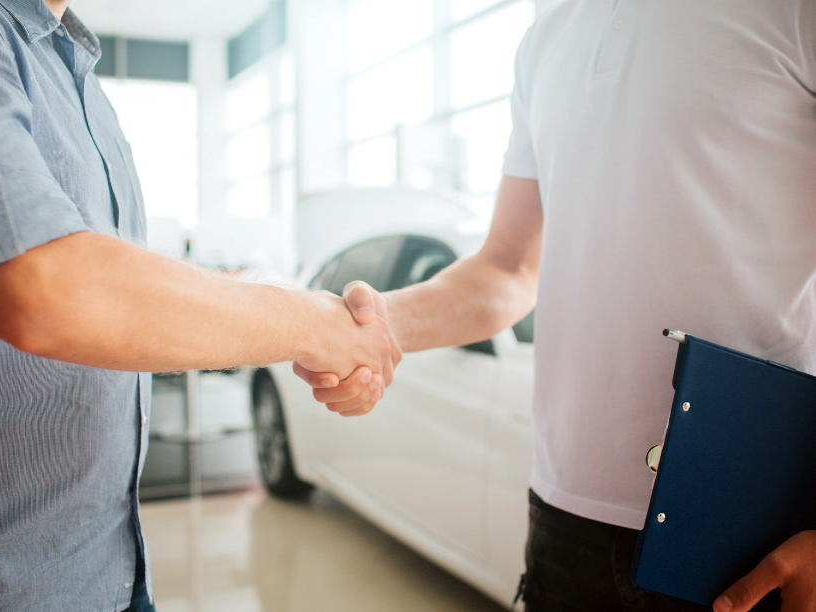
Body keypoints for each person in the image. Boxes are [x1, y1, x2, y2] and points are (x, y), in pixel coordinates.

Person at [297, 1, 816, 611]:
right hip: (560, 522)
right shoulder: (546, 34)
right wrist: (371, 327)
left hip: (742, 526)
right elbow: (509, 269)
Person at [0, 0, 398, 610]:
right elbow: (43, 288)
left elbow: (120, 271)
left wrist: (283, 299)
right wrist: (311, 326)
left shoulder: (78, 73)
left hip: (114, 565)